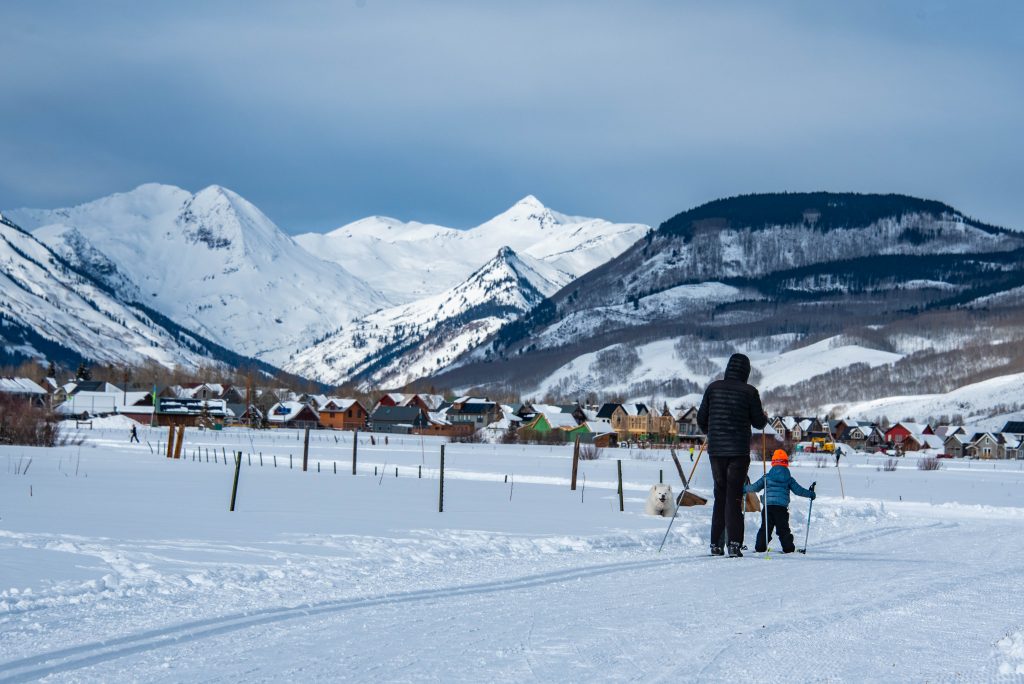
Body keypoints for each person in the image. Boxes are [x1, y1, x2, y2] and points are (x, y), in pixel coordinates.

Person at [697, 353, 768, 557]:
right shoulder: (750, 391)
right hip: (738, 451)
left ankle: (716, 545)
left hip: (716, 451)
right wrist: (764, 417)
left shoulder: (713, 388)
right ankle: (734, 544)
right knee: (734, 496)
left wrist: (712, 431)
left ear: (728, 368)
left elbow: (702, 419)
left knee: (720, 494)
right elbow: (758, 423)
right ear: (746, 372)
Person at [744, 449, 816, 553]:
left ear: (773, 462)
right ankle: (788, 548)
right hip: (781, 509)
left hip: (768, 507)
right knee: (783, 529)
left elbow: (755, 487)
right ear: (786, 463)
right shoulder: (789, 478)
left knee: (765, 528)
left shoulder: (767, 477)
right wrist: (810, 494)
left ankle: (760, 547)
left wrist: (744, 489)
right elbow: (798, 491)